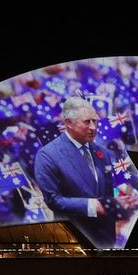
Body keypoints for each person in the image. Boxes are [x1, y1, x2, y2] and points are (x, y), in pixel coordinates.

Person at [33, 97, 117, 247]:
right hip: (73, 239)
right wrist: (92, 206)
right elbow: (53, 199)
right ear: (68, 123)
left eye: (95, 121)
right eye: (87, 122)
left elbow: (112, 187)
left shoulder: (103, 152)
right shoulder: (47, 155)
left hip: (107, 238)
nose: (93, 127)